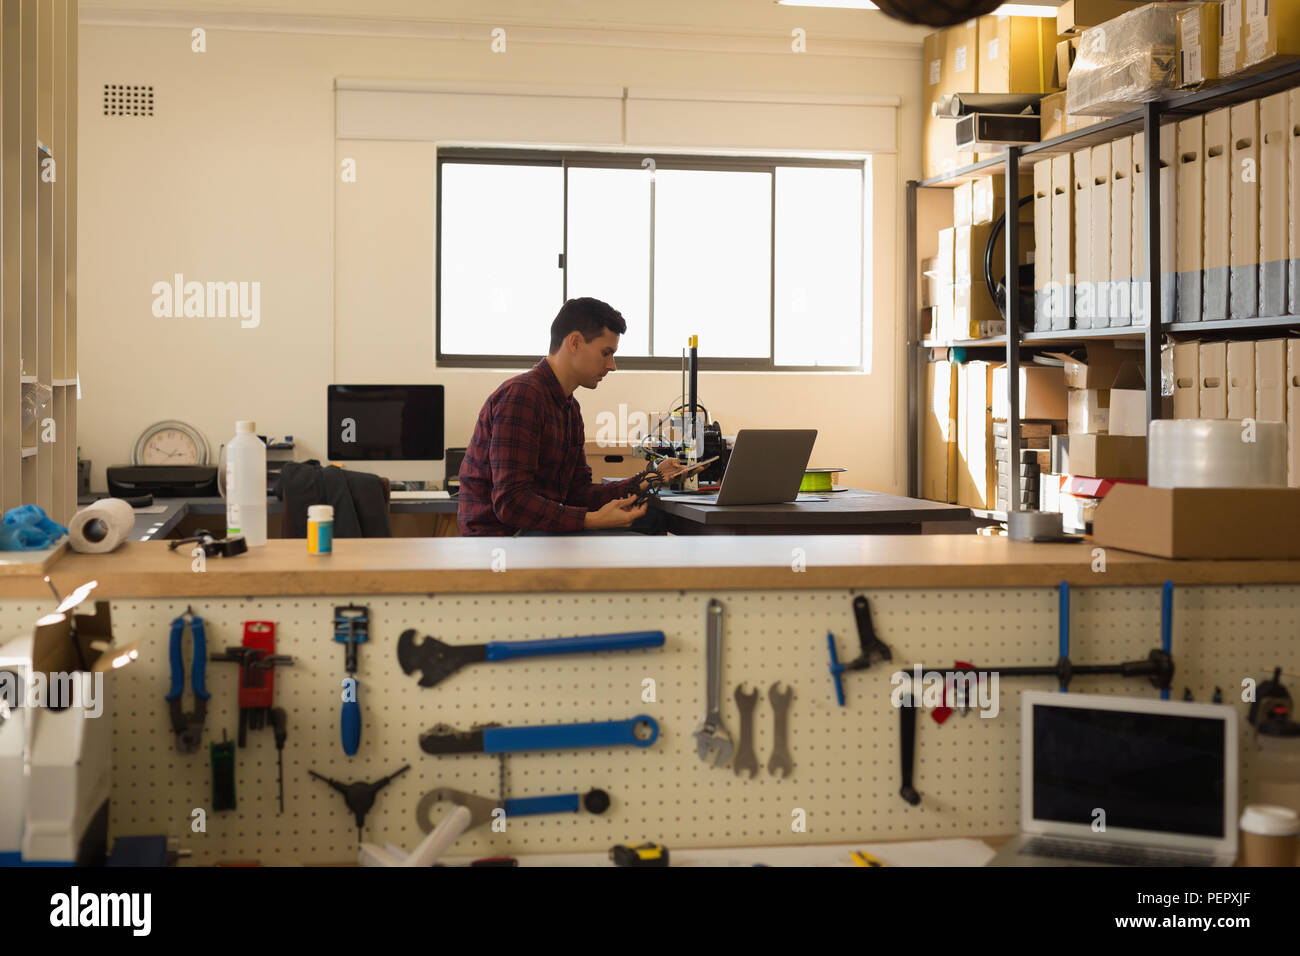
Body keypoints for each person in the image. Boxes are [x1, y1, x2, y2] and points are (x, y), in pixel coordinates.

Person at [457, 297, 690, 536]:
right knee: (636, 543)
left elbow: (578, 493)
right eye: (606, 353)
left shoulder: (569, 408)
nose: (612, 366)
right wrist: (590, 520)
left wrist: (649, 478)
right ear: (575, 342)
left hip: (536, 531)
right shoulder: (522, 396)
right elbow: (511, 503)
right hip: (505, 539)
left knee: (654, 520)